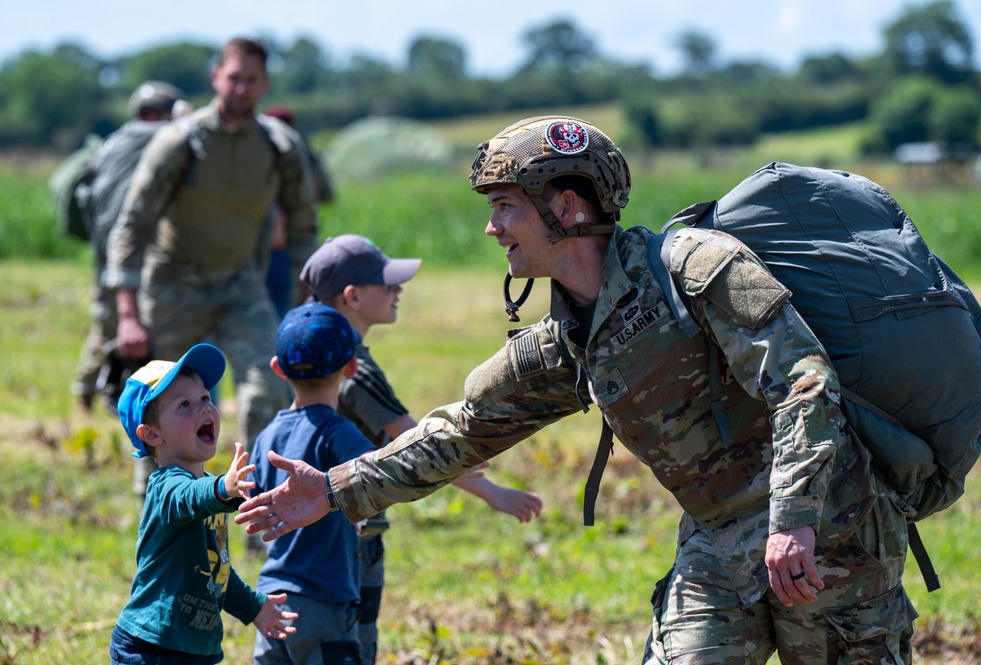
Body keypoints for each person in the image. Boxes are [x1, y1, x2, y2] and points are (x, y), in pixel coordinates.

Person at [237, 116, 916, 664]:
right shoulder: (563, 343)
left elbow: (803, 383)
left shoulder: (698, 270)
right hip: (715, 540)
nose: (489, 226)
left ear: (565, 206)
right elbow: (460, 430)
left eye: (504, 206)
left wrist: (792, 515)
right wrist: (331, 489)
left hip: (831, 528)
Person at [299, 234, 543, 664]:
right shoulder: (355, 368)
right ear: (353, 296)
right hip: (352, 533)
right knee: (353, 642)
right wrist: (493, 493)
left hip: (320, 530)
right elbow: (415, 444)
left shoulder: (315, 354)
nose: (399, 292)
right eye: (388, 285)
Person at [105, 37, 318, 507]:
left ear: (264, 83)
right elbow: (133, 224)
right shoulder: (180, 141)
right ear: (216, 77)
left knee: (268, 387)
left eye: (252, 79)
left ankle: (260, 502)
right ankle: (159, 505)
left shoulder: (279, 146)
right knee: (167, 407)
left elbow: (304, 225)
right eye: (233, 77)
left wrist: (307, 299)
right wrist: (127, 313)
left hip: (240, 285)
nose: (241, 88)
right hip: (173, 285)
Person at [110, 343, 297, 664]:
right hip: (151, 646)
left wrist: (252, 607)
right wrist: (224, 487)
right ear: (152, 435)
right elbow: (189, 498)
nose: (205, 409)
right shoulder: (165, 488)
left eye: (206, 398)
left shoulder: (206, 487)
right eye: (184, 404)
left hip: (199, 648)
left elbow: (216, 569)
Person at [249, 302, 376, 664]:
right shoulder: (339, 432)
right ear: (351, 367)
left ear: (277, 369)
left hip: (271, 599)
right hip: (324, 599)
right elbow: (378, 472)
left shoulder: (266, 437)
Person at [71, 80, 185, 415]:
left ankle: (88, 395)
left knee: (108, 325)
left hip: (107, 253)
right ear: (152, 114)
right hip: (132, 254)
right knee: (119, 330)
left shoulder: (110, 145)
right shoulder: (154, 138)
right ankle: (102, 397)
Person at [261, 104, 336, 318]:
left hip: (284, 240)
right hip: (291, 240)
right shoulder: (305, 153)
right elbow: (327, 195)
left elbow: (327, 195)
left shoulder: (272, 154)